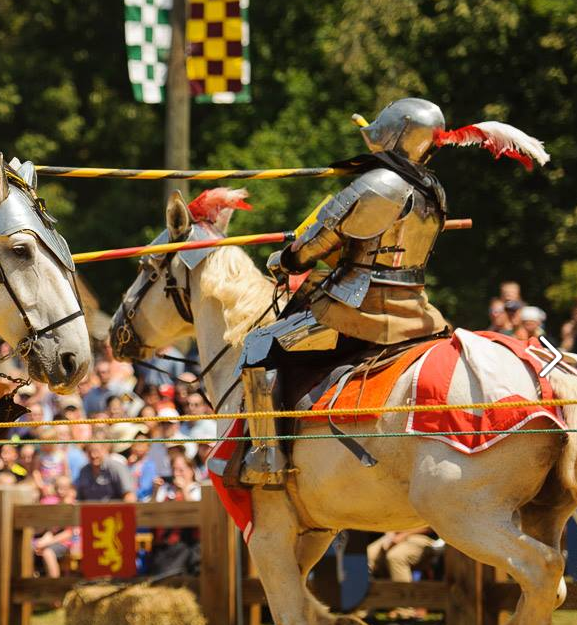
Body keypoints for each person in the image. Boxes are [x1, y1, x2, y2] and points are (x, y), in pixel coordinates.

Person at [235, 98, 550, 488]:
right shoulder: (433, 189)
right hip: (415, 310)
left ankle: (267, 456)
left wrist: (286, 259)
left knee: (257, 344)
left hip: (358, 310)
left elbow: (316, 244)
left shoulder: (378, 184)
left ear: (397, 133)